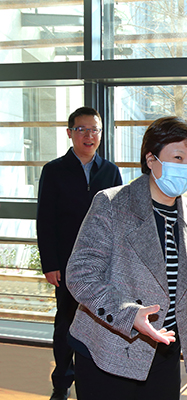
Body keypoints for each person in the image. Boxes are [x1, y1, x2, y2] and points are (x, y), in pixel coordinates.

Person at [65, 116, 187, 400]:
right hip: (109, 349)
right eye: (178, 158)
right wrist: (128, 314)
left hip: (165, 347)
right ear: (151, 159)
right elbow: (81, 275)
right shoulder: (112, 204)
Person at [36, 106, 123, 400]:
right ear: (70, 133)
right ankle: (61, 383)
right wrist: (50, 264)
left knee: (104, 323)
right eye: (82, 129)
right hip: (66, 264)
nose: (89, 135)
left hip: (103, 264)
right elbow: (45, 220)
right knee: (65, 324)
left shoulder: (110, 171)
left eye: (94, 130)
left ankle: (98, 379)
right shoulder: (53, 171)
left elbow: (119, 219)